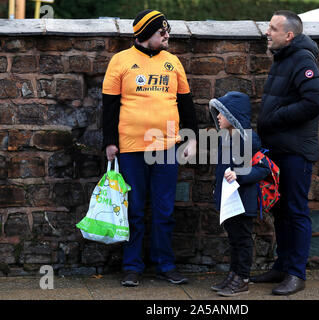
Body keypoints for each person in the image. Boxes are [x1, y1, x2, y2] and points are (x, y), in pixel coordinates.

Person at [102, 9, 198, 287]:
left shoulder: (173, 62)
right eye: (162, 32)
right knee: (133, 209)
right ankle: (132, 267)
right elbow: (109, 107)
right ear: (146, 35)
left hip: (167, 146)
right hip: (130, 147)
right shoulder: (120, 61)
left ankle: (165, 265)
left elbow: (186, 104)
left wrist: (191, 138)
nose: (167, 36)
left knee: (165, 209)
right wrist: (110, 142)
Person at [253, 10, 319, 295]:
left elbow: (314, 102)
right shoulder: (284, 58)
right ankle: (282, 266)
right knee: (280, 210)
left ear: (289, 35)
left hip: (295, 151)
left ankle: (296, 273)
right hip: (279, 149)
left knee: (295, 211)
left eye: (272, 28)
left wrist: (276, 116)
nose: (267, 32)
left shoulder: (303, 59)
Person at [209, 91, 271, 297]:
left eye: (222, 113)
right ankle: (234, 274)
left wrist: (239, 175)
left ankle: (242, 278)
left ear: (233, 115)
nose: (218, 116)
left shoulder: (248, 139)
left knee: (242, 240)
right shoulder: (226, 139)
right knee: (234, 240)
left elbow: (263, 168)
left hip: (243, 202)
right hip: (230, 201)